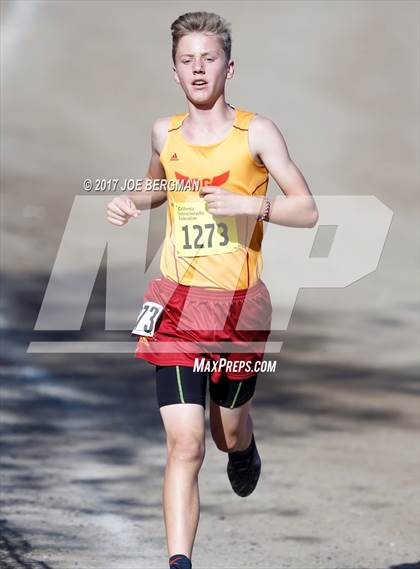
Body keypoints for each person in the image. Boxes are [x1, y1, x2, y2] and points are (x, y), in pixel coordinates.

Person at [106, 11, 318, 569]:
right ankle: (180, 562)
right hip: (174, 302)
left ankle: (245, 446)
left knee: (225, 435)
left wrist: (253, 204)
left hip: (239, 310)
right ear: (174, 71)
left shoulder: (258, 133)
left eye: (209, 58)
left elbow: (308, 209)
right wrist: (132, 200)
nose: (198, 69)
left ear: (230, 66)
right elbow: (157, 188)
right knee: (187, 443)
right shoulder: (163, 132)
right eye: (187, 60)